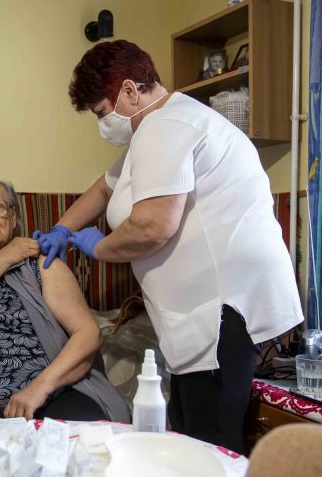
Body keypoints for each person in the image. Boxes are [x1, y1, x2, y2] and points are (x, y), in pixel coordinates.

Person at [33, 40, 302, 452]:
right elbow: (105, 189)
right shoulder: (155, 129)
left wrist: (98, 247)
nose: (103, 125)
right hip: (204, 308)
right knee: (189, 436)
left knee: (210, 445)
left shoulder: (167, 126)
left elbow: (153, 226)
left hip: (220, 308)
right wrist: (60, 229)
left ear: (128, 90)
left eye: (102, 113)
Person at [0, 176, 130, 422]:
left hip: (56, 392)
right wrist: (7, 255)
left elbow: (88, 334)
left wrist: (40, 387)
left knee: (76, 437)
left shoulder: (41, 263)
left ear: (13, 217)